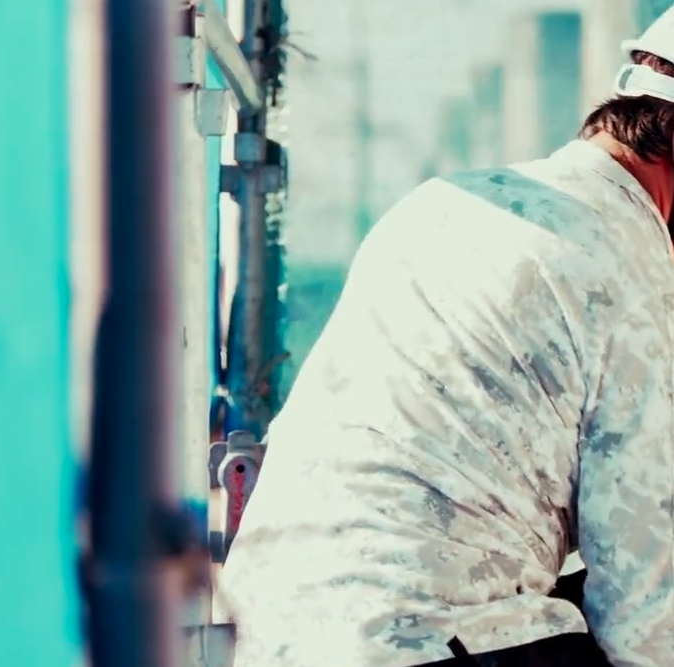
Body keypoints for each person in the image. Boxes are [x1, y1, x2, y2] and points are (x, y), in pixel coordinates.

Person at [219, 10, 674, 667]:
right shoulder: (634, 272)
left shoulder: (448, 204)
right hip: (428, 645)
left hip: (276, 637)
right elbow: (647, 620)